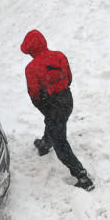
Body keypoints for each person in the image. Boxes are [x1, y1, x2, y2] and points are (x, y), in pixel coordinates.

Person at [21, 29, 94, 191]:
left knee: (60, 142)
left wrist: (46, 105)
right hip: (67, 101)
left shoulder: (31, 68)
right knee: (55, 126)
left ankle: (82, 176)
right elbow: (69, 79)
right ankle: (45, 144)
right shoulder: (60, 56)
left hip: (51, 107)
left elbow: (34, 95)